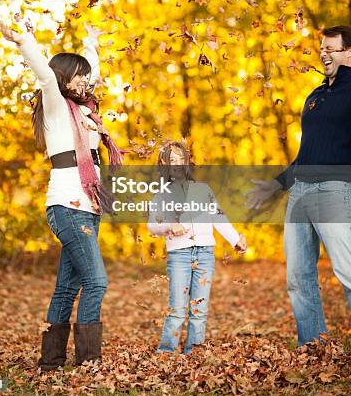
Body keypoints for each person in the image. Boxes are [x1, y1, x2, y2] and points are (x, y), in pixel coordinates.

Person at [0, 20, 123, 371]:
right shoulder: (54, 104)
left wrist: (90, 41)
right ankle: (89, 363)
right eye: (78, 76)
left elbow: (90, 73)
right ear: (64, 78)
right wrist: (23, 40)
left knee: (67, 288)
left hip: (88, 207)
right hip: (67, 206)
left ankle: (51, 361)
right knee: (96, 281)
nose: (86, 81)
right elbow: (47, 76)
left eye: (86, 76)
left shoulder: (85, 112)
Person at [246, 25, 351, 346]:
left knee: (348, 272)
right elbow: (306, 154)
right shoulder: (316, 96)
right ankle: (312, 346)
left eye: (331, 49)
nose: (324, 53)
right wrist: (276, 186)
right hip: (301, 193)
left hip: (335, 190)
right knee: (298, 278)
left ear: (349, 53)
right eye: (322, 48)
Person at [148, 141, 247, 354]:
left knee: (199, 309)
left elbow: (218, 217)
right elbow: (152, 225)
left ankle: (194, 353)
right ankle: (166, 352)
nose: (176, 164)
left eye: (180, 159)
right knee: (177, 309)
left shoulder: (202, 190)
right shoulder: (161, 194)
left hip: (204, 254)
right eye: (171, 160)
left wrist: (235, 239)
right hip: (179, 256)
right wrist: (169, 225)